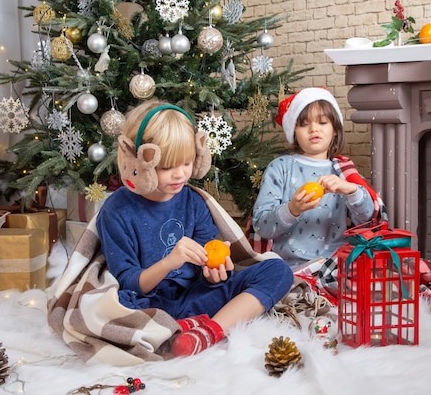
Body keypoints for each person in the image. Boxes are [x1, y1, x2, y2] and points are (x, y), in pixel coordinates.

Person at [96, 99, 294, 358]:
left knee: (277, 269)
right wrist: (169, 262)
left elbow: (209, 269)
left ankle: (207, 331)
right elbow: (129, 284)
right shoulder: (116, 211)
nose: (180, 174)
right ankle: (183, 326)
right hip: (152, 306)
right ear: (139, 159)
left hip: (197, 298)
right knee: (119, 310)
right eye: (167, 167)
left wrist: (214, 272)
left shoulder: (194, 201)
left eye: (187, 163)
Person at [251, 87, 384, 268]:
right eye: (304, 124)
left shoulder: (344, 173)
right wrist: (292, 209)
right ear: (294, 132)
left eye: (322, 122)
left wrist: (351, 190)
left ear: (335, 129)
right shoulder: (280, 168)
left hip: (336, 266)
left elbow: (368, 222)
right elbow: (261, 227)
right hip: (286, 267)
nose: (314, 129)